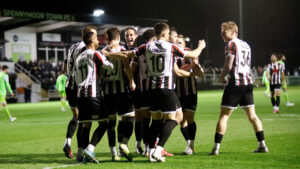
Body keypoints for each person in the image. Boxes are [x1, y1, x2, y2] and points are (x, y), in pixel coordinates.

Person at [125, 22, 206, 162]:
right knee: (172, 120)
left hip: (152, 90)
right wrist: (201, 47)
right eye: (168, 33)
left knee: (155, 121)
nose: (169, 36)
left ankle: (150, 152)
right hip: (166, 89)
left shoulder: (146, 47)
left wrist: (110, 53)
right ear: (163, 33)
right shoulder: (171, 47)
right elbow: (193, 54)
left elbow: (129, 54)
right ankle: (158, 149)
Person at [209, 21, 268, 155]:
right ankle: (262, 145)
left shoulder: (231, 44)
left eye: (224, 31)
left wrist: (222, 76)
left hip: (236, 82)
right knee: (252, 116)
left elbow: (229, 64)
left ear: (233, 32)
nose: (222, 34)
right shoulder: (246, 44)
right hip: (247, 82)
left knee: (224, 116)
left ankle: (216, 148)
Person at [74, 25, 118, 163]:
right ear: (92, 40)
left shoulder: (78, 57)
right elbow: (110, 67)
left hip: (81, 95)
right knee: (105, 123)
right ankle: (90, 149)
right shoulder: (95, 53)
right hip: (93, 94)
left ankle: (81, 154)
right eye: (96, 38)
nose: (99, 40)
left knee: (86, 125)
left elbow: (76, 78)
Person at [101, 27, 135, 162]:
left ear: (106, 39)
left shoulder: (101, 52)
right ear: (119, 37)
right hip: (121, 92)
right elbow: (127, 67)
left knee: (111, 123)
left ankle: (113, 153)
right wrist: (132, 81)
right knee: (130, 117)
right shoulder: (122, 50)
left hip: (107, 94)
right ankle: (123, 142)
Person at [176, 34, 204, 155]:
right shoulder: (172, 56)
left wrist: (197, 68)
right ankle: (189, 145)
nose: (178, 44)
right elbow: (178, 72)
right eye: (176, 42)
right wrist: (191, 67)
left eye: (180, 43)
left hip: (191, 92)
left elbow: (200, 73)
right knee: (182, 121)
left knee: (189, 117)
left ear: (184, 45)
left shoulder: (190, 54)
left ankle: (191, 145)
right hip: (177, 93)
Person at [130, 29, 157, 156]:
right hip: (151, 88)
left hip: (140, 88)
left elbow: (131, 67)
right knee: (148, 119)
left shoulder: (139, 51)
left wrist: (131, 81)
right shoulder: (156, 49)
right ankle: (149, 147)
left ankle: (140, 145)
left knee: (141, 119)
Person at [63, 41, 86, 160]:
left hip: (69, 86)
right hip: (79, 86)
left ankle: (67, 142)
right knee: (83, 119)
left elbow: (64, 67)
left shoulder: (72, 46)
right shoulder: (85, 48)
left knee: (76, 117)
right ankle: (80, 152)